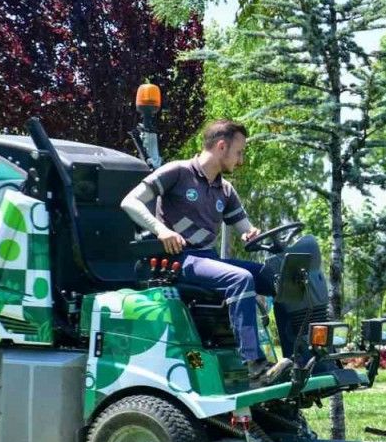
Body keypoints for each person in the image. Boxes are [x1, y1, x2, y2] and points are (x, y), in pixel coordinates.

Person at [120, 119, 292, 387]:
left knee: (280, 279)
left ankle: (297, 358)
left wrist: (250, 233)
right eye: (239, 153)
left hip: (206, 260)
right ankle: (256, 367)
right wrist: (161, 230)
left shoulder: (225, 189)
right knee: (239, 279)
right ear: (222, 146)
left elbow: (245, 228)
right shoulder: (177, 172)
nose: (241, 160)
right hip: (177, 261)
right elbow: (129, 201)